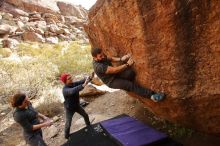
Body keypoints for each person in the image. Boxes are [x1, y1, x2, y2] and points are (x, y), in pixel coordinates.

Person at [91, 48, 165, 102]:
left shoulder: (101, 56)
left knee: (130, 73)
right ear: (94, 58)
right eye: (100, 56)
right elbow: (114, 70)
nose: (103, 57)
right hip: (111, 81)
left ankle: (128, 86)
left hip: (116, 75)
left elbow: (109, 58)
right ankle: (152, 96)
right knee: (129, 85)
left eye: (102, 54)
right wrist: (127, 64)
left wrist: (121, 59)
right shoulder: (98, 67)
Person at [60, 73, 93, 139]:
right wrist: (83, 85)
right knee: (68, 124)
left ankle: (89, 126)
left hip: (77, 106)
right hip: (69, 109)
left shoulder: (73, 83)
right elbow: (72, 91)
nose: (71, 79)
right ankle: (66, 136)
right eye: (69, 79)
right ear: (65, 81)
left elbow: (82, 81)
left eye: (70, 77)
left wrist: (89, 78)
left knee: (85, 115)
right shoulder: (65, 90)